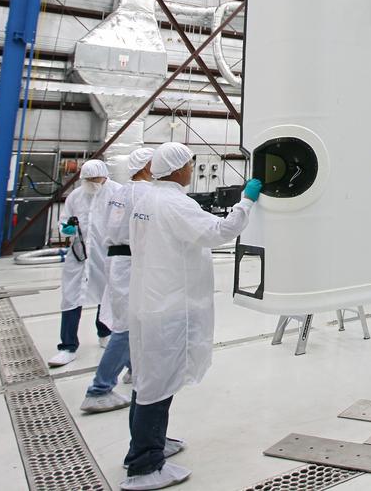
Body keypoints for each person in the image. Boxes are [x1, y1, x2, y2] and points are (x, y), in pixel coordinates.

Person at [122, 142, 261, 490]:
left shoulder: (146, 199)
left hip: (148, 301)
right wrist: (246, 201)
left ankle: (149, 444)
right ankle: (144, 466)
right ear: (177, 169)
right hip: (168, 306)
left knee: (149, 380)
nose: (191, 169)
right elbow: (220, 233)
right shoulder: (174, 203)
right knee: (157, 383)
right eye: (189, 163)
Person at [80, 147, 152, 414]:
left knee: (135, 320)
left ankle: (134, 370)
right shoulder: (143, 193)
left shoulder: (121, 192)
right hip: (131, 262)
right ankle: (99, 389)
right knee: (127, 327)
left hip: (119, 261)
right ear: (147, 166)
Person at [48, 159, 118, 368]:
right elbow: (63, 220)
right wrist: (65, 228)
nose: (91, 183)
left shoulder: (117, 193)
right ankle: (67, 346)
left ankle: (104, 332)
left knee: (105, 294)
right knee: (71, 297)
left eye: (94, 179)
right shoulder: (76, 196)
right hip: (79, 255)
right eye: (86, 180)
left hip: (105, 253)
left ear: (104, 176)